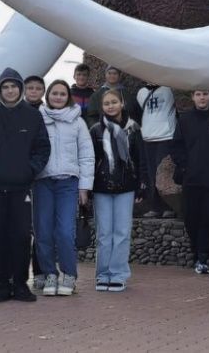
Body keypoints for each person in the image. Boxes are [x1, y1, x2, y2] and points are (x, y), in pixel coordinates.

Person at [0, 68, 51, 304]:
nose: (10, 91)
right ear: (0, 91)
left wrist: (29, 169)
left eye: (13, 86)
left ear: (20, 89)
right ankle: (2, 284)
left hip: (21, 188)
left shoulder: (32, 116)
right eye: (5, 87)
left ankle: (20, 284)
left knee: (21, 236)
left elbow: (42, 148)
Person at [34, 79, 95, 296]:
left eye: (62, 94)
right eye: (54, 93)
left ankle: (69, 274)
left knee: (65, 232)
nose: (58, 97)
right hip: (43, 182)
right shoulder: (38, 119)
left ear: (67, 97)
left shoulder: (78, 122)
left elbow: (87, 155)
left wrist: (84, 187)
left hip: (68, 183)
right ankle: (50, 273)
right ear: (48, 95)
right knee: (43, 231)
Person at [90, 88, 147, 292]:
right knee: (104, 233)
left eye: (114, 102)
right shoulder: (95, 130)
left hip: (127, 187)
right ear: (102, 107)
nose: (110, 106)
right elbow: (91, 161)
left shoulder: (133, 129)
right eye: (106, 103)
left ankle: (118, 274)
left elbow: (141, 160)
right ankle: (103, 274)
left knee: (122, 232)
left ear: (122, 103)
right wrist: (87, 188)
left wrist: (142, 186)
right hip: (102, 187)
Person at [172, 89, 209, 273]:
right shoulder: (185, 120)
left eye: (205, 94)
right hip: (191, 179)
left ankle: (203, 257)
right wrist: (185, 167)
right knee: (191, 218)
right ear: (192, 97)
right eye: (198, 94)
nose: (202, 97)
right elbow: (176, 147)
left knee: (208, 218)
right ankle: (196, 253)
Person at [137, 83, 177, 218]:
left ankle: (169, 207)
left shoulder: (169, 89)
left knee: (165, 172)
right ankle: (155, 206)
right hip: (148, 137)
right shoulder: (141, 92)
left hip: (166, 136)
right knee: (151, 173)